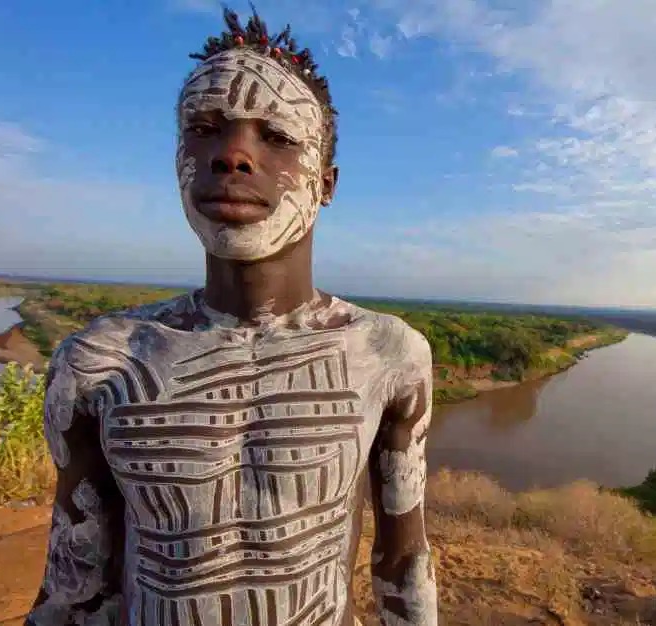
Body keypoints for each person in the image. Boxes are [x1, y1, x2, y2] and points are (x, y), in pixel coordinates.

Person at [25, 7, 437, 625]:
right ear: (178, 161)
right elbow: (77, 583)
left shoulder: (388, 355)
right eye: (205, 128)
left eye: (276, 136)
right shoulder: (99, 362)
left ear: (325, 183)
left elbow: (403, 563)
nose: (234, 155)